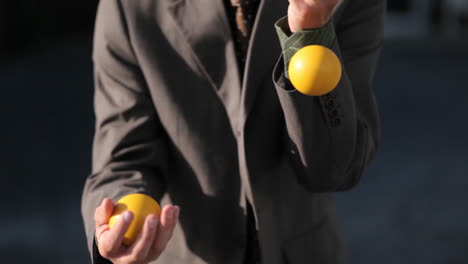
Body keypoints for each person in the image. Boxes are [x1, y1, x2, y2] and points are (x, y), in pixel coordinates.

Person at [81, 0, 385, 263]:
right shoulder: (126, 6)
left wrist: (310, 34)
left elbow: (334, 169)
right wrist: (119, 224)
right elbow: (123, 155)